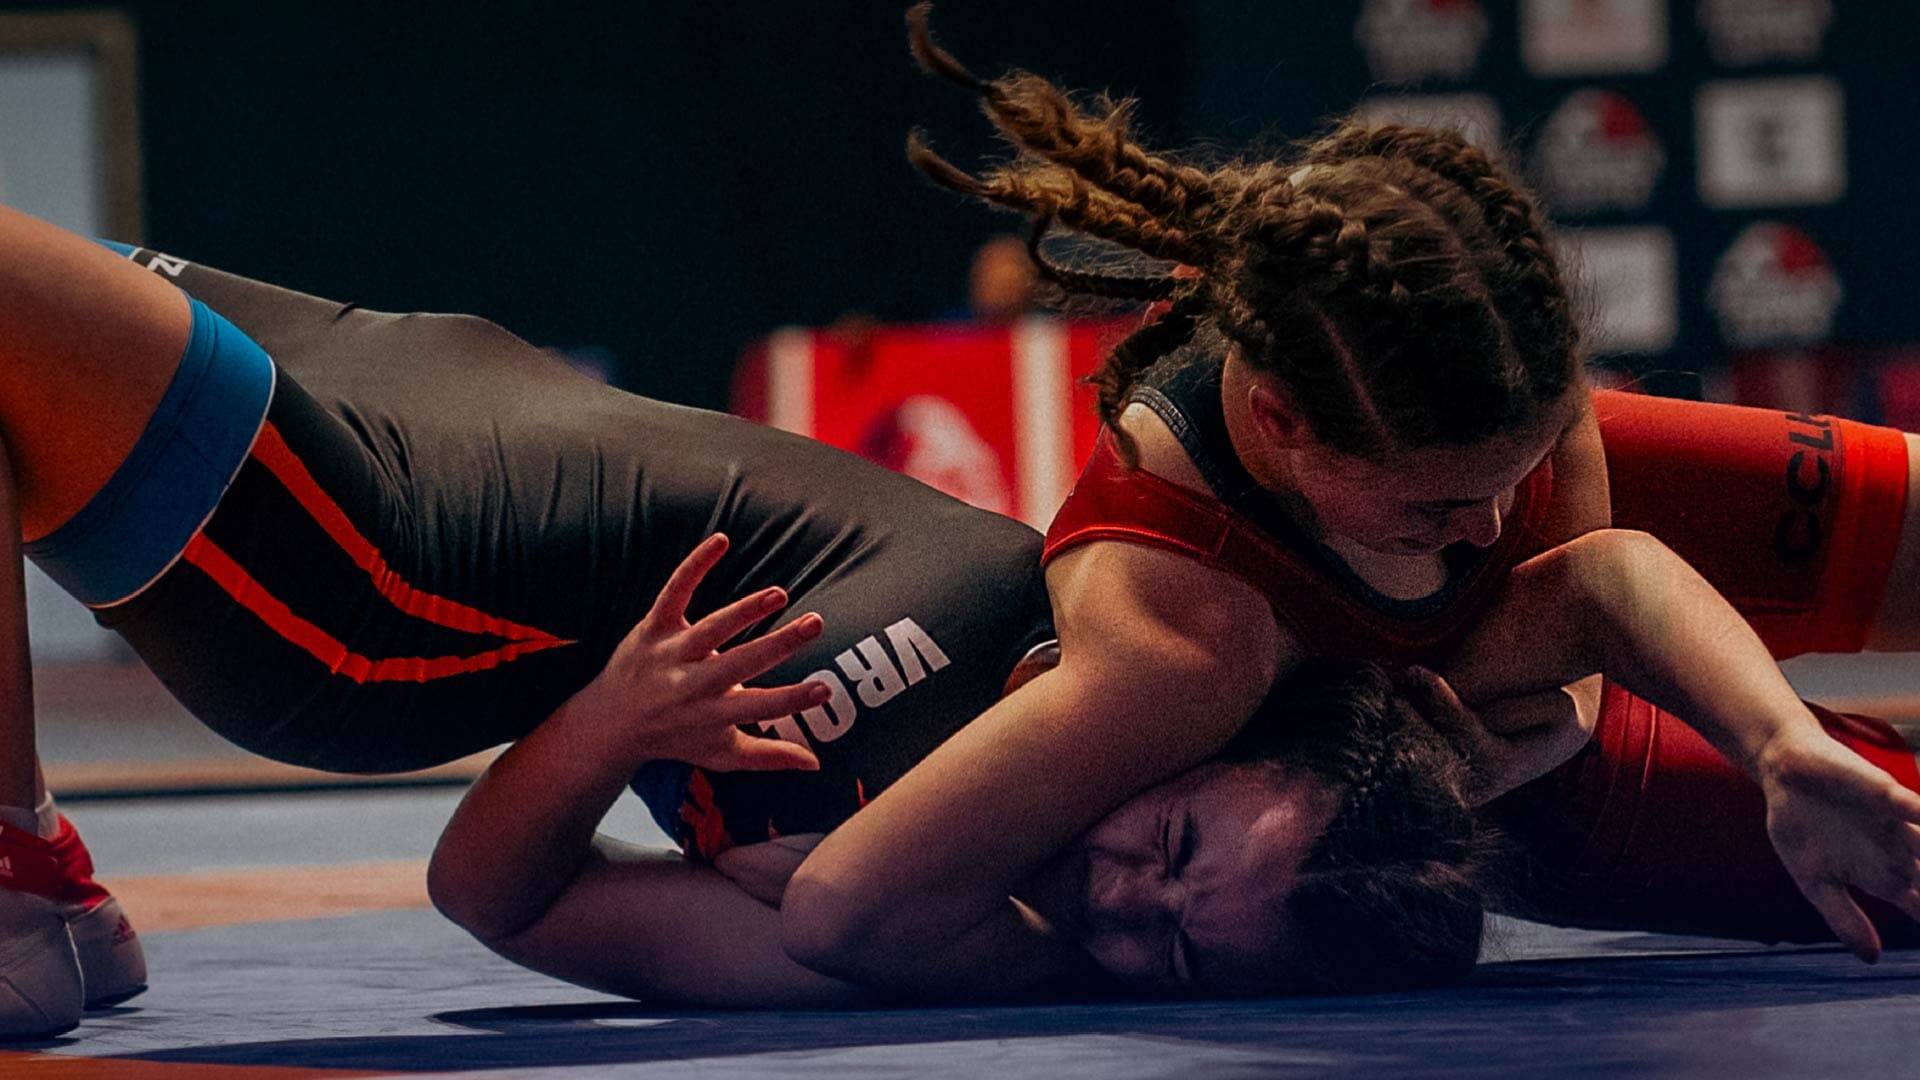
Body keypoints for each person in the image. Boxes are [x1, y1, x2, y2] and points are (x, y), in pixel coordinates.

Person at [0, 207, 1492, 1034]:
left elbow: (495, 898)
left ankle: (21, 874)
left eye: (1166, 958)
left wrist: (605, 730)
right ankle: (41, 879)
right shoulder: (1132, 642)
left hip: (368, 580)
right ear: (1215, 735)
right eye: (1171, 854)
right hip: (340, 369)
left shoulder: (885, 929)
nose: (1118, 899)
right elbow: (1536, 551)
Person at [764, 6, 1920, 994]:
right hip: (1530, 789)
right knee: (1881, 842)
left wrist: (1763, 741)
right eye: (1437, 513)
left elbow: (1596, 579)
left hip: (1539, 677)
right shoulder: (1174, 639)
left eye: (1512, 476)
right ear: (1279, 426)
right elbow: (844, 909)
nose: (1482, 532)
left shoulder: (1423, 372)